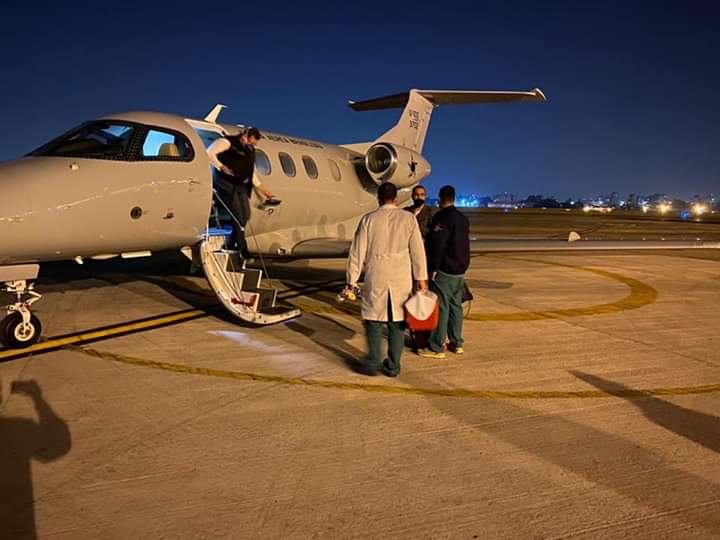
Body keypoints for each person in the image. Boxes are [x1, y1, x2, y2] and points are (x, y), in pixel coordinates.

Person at [346, 182, 428, 377]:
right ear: (396, 199)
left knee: (373, 320)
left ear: (378, 198)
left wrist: (352, 279)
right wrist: (421, 279)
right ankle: (392, 366)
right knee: (397, 323)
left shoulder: (369, 219)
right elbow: (418, 252)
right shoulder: (408, 219)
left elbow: (357, 253)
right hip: (400, 277)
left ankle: (373, 361)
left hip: (377, 275)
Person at [419, 185, 470, 359]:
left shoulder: (441, 218)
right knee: (456, 307)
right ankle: (456, 343)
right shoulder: (462, 218)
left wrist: (432, 267)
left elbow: (437, 245)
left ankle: (436, 346)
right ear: (454, 198)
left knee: (442, 307)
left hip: (445, 270)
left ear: (441, 198)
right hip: (460, 270)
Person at [207, 127, 275, 258]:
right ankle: (243, 249)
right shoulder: (226, 142)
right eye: (252, 142)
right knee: (238, 216)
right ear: (245, 136)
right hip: (225, 183)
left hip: (240, 184)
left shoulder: (249, 150)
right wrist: (221, 167)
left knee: (246, 215)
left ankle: (231, 243)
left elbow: (251, 172)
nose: (253, 145)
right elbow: (209, 153)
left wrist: (262, 189)